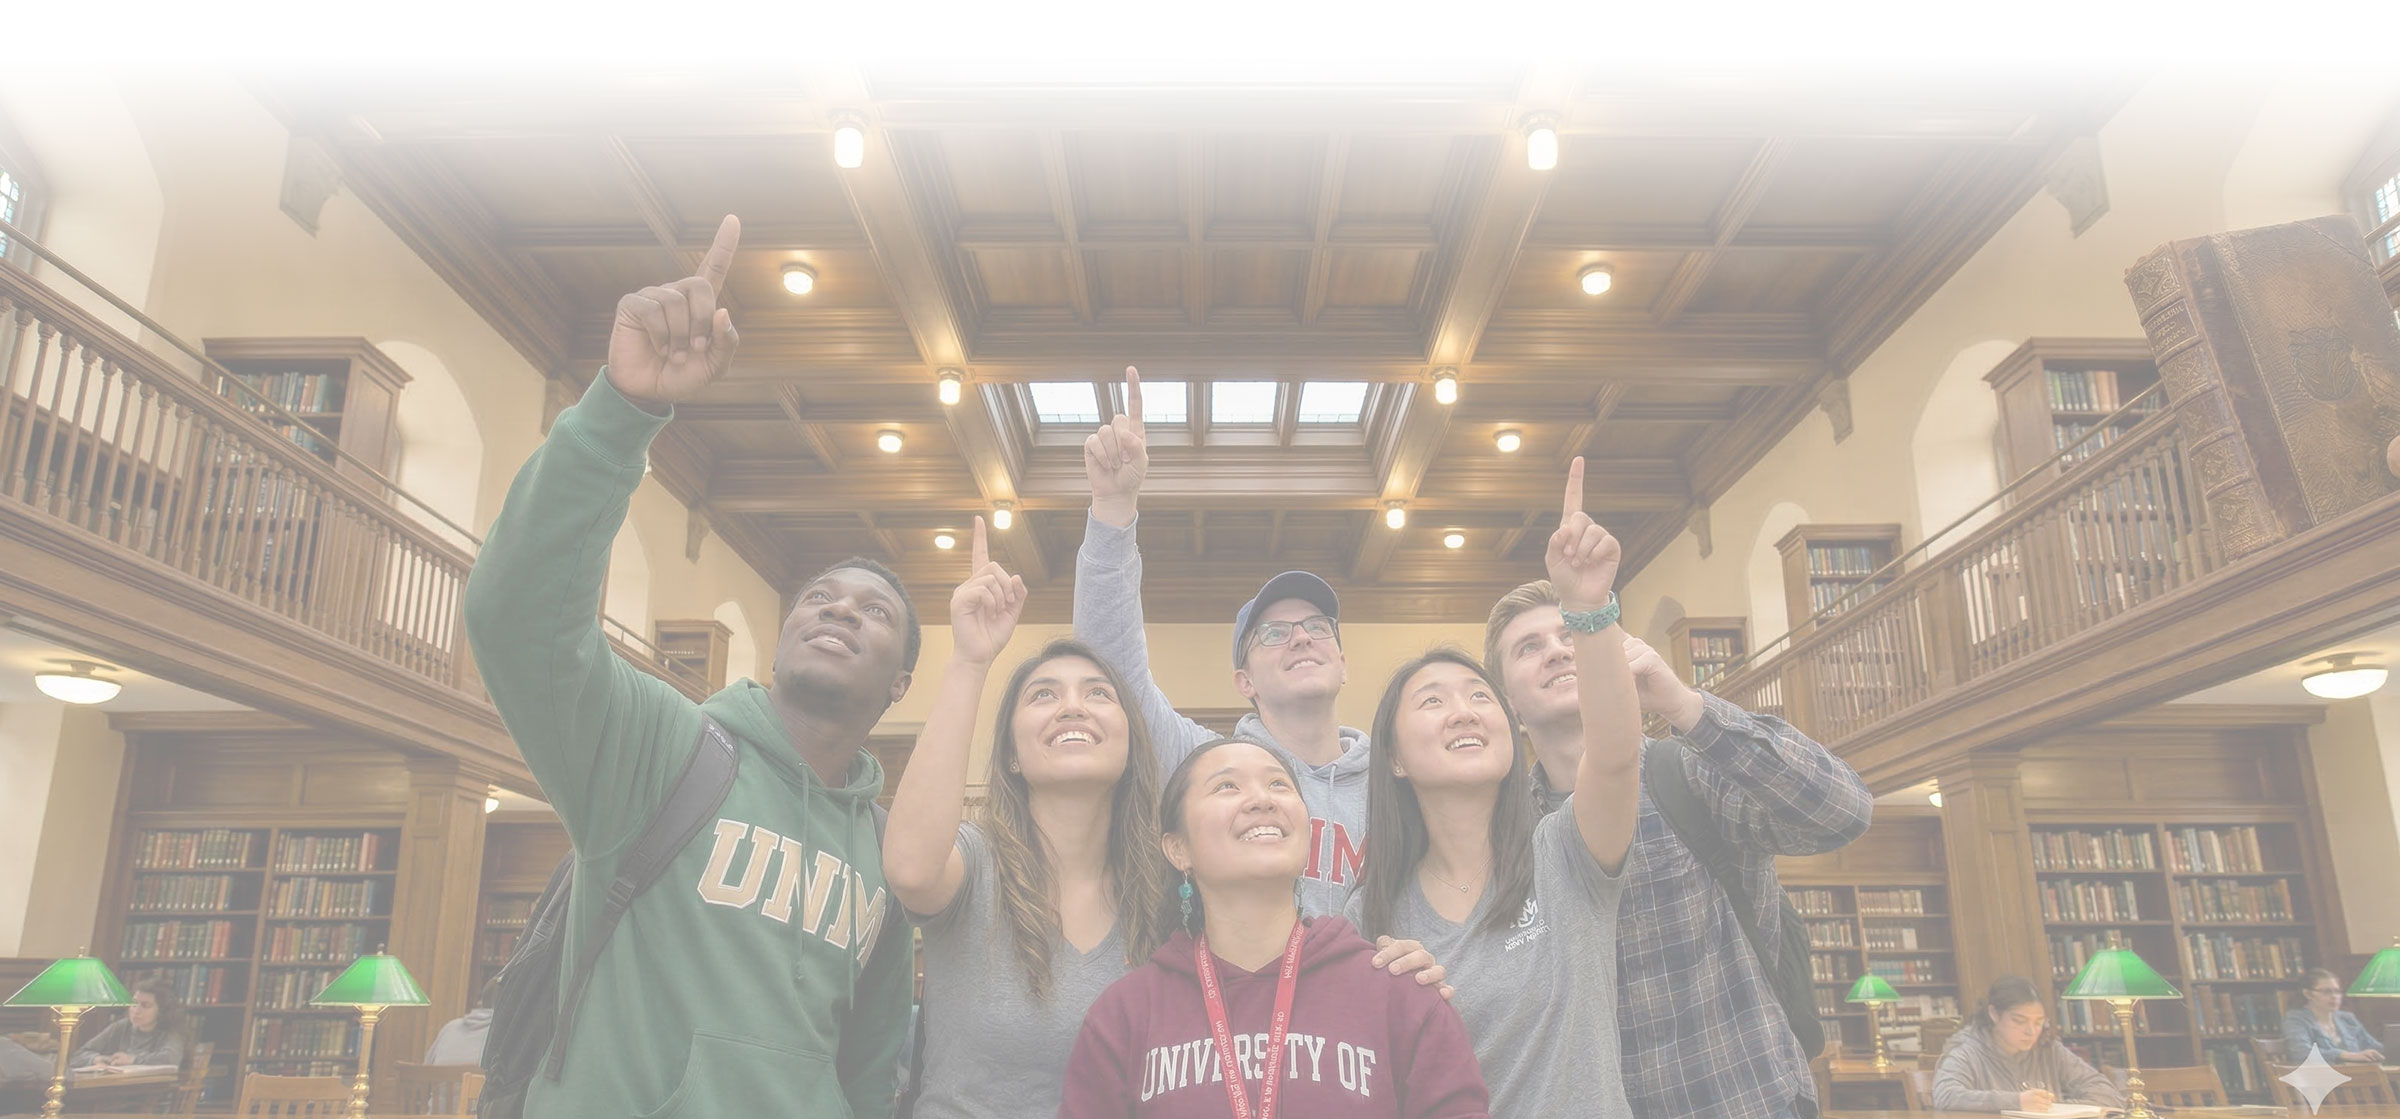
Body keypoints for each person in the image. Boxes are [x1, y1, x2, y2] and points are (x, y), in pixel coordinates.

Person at [464, 215, 912, 1119]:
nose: (838, 608)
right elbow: (517, 618)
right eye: (822, 595)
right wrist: (621, 412)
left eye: (875, 611)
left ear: (900, 683)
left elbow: (870, 1062)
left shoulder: (887, 851)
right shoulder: (664, 745)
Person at [1482, 581, 1873, 1119]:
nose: (1557, 649)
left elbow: (1842, 813)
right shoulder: (1505, 840)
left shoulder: (1687, 774)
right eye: (1529, 646)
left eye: (1571, 634)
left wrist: (1681, 702)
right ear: (1510, 708)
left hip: (1742, 1099)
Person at [1351, 457, 1643, 1119]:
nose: (1464, 710)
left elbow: (1618, 755)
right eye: (1432, 700)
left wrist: (1589, 609)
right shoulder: (1366, 918)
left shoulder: (1564, 853)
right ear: (1394, 756)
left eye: (1480, 695)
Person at [882, 518, 1176, 1119]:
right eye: (1044, 694)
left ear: (1131, 745)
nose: (1072, 704)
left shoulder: (1171, 886)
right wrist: (969, 660)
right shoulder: (974, 861)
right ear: (1012, 755)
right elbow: (910, 869)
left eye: (1098, 693)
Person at [1057, 738, 1490, 1119]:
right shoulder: (1124, 1016)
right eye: (1227, 786)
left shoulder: (1399, 992)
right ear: (1177, 848)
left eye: (1278, 784)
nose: (1262, 799)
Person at [1077, 367, 1369, 914]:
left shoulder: (1396, 782)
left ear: (1342, 661)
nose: (1300, 639)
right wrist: (1114, 512)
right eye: (1274, 634)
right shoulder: (1202, 764)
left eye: (1316, 627)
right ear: (1244, 681)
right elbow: (1111, 672)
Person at [1931, 975, 2123, 1113]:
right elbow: (1946, 1095)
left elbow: (2105, 1091)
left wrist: (2057, 1108)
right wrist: (2016, 1102)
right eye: (2019, 1021)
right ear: (1994, 1014)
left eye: (2038, 1022)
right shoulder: (1966, 1051)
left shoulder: (2048, 1048)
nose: (2031, 1031)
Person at [70, 980, 185, 1069]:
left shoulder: (171, 1031)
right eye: (134, 1004)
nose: (136, 1010)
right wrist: (96, 1059)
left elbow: (171, 1059)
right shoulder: (121, 1027)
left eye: (145, 1005)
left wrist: (133, 1060)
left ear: (162, 1010)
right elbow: (78, 1056)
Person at [2283, 967, 2386, 1064]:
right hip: (2320, 1080)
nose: (2334, 997)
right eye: (2326, 992)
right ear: (2308, 994)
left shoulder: (2347, 1019)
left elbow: (2376, 1047)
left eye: (2337, 992)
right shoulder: (2295, 1019)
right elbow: (2301, 1054)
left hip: (2358, 1076)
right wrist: (2347, 1055)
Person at [423, 978, 498, 1066]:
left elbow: (426, 1066)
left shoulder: (450, 1027)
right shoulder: (506, 1037)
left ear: (480, 1002)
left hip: (437, 1079)